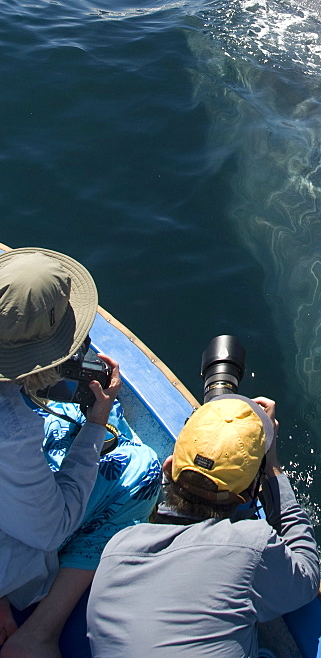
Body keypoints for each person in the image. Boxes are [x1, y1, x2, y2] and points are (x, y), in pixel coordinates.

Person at [0, 247, 162, 658]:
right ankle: (39, 631)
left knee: (61, 423)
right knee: (140, 470)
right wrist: (95, 423)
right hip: (20, 545)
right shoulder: (13, 429)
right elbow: (52, 529)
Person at [87, 392, 320, 658]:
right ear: (249, 494)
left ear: (168, 467)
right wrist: (272, 468)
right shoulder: (251, 545)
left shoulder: (118, 548)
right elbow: (307, 577)